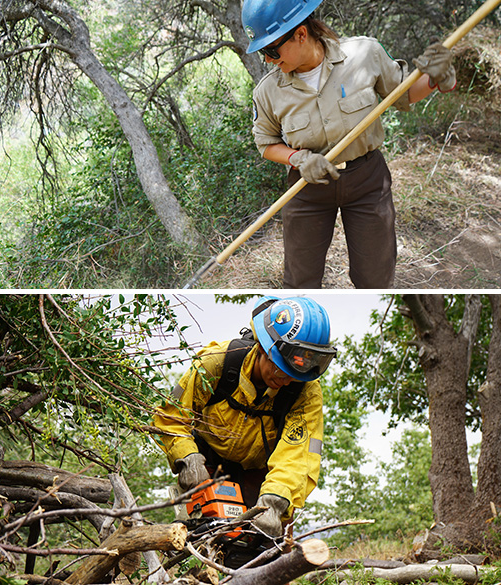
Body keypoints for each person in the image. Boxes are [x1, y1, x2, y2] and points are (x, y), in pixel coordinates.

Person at [243, 0, 458, 288]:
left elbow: (403, 95)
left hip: (367, 180)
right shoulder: (268, 92)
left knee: (375, 278)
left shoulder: (364, 53)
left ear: (301, 34)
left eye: (272, 50)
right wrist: (299, 159)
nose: (268, 60)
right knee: (300, 281)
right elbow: (266, 144)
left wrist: (436, 79)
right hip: (307, 188)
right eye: (263, 53)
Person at [153, 296, 336, 537]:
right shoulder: (217, 363)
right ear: (262, 348)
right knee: (204, 539)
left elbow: (297, 457)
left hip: (262, 476)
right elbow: (173, 415)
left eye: (295, 374)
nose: (286, 380)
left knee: (263, 550)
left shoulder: (305, 391)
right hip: (207, 465)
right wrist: (187, 458)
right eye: (281, 368)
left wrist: (274, 503)